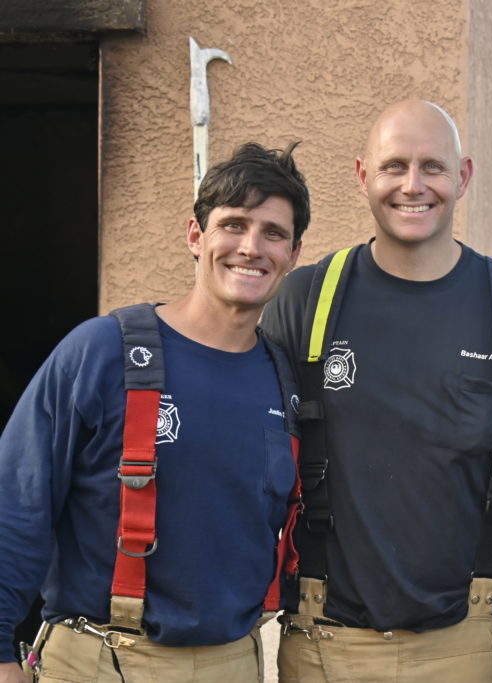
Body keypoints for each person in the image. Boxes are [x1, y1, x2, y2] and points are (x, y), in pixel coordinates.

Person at [261, 100, 492, 683]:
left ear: (463, 176)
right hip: (325, 643)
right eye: (394, 166)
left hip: (468, 646)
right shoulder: (306, 301)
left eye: (433, 166)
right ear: (362, 176)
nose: (412, 185)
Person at [0, 141, 310, 683]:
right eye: (233, 225)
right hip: (101, 661)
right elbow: (17, 503)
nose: (251, 247)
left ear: (294, 253)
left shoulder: (283, 380)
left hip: (234, 664)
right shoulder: (102, 352)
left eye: (273, 233)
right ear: (195, 236)